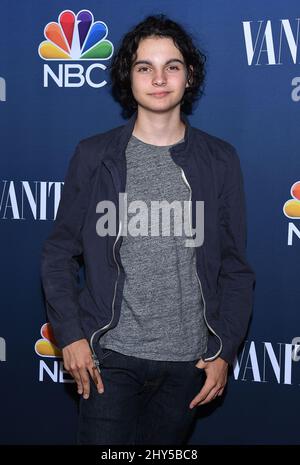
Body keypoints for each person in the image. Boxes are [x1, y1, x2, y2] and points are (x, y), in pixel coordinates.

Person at [41, 14, 255, 445]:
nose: (159, 78)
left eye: (172, 66)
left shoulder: (219, 160)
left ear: (189, 76)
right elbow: (58, 252)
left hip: (187, 365)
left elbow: (235, 269)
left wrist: (224, 352)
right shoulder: (94, 156)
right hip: (109, 357)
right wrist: (72, 336)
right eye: (145, 67)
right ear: (129, 77)